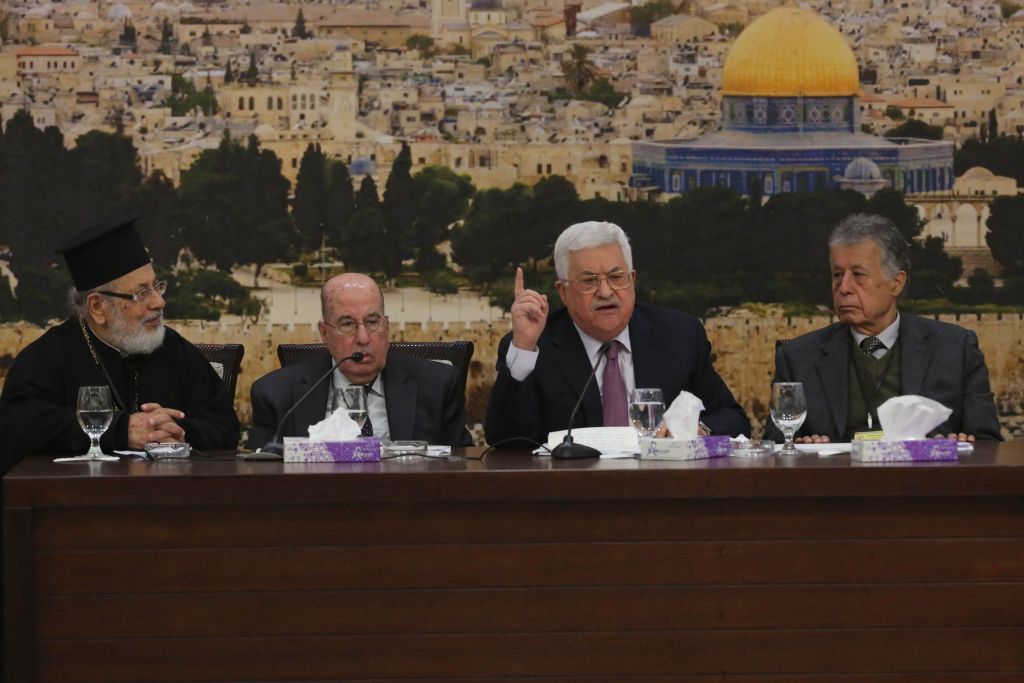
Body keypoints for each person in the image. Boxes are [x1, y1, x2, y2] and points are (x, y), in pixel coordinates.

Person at [0, 218, 240, 472]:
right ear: (98, 307)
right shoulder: (48, 357)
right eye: (141, 293)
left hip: (171, 499)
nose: (159, 302)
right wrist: (119, 431)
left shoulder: (174, 348)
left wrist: (177, 432)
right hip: (80, 502)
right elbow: (18, 428)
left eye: (156, 286)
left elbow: (224, 426)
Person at [485, 220, 750, 446]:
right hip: (570, 495)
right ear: (563, 291)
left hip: (661, 492)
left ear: (632, 280)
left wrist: (699, 429)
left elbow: (734, 419)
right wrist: (523, 348)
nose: (605, 292)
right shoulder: (533, 345)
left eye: (616, 277)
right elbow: (505, 440)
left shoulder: (679, 336)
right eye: (589, 281)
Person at [765, 213, 1001, 443]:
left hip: (925, 480)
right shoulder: (797, 357)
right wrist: (802, 447)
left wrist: (961, 443)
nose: (843, 287)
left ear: (896, 283)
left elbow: (986, 442)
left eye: (858, 275)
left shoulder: (955, 349)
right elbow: (775, 445)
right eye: (837, 274)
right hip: (834, 480)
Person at [248, 273, 472, 449]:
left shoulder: (437, 387)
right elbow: (261, 474)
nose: (363, 338)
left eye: (372, 322)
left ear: (386, 326)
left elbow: (461, 465)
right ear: (324, 333)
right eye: (347, 324)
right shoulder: (275, 395)